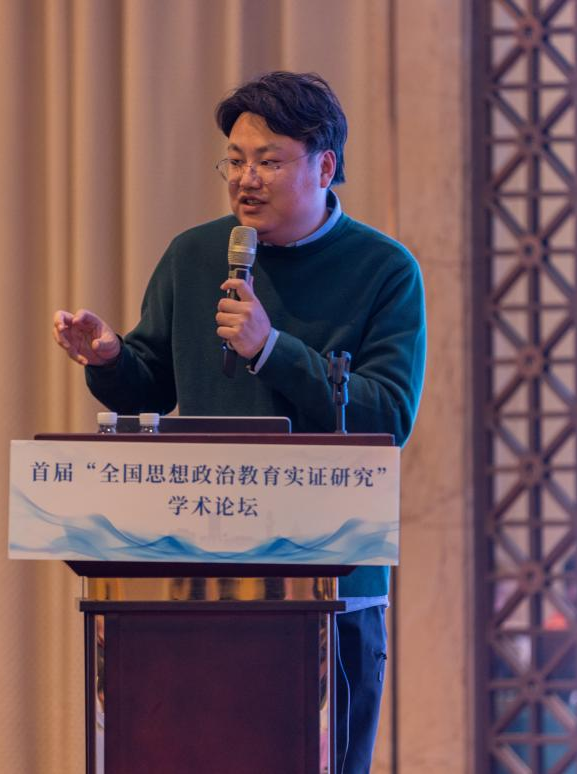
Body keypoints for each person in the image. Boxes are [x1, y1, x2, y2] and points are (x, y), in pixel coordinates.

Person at [52, 70, 426, 773]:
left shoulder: (385, 270)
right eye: (234, 160)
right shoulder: (194, 256)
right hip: (197, 577)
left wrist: (272, 350)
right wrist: (109, 358)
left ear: (325, 167)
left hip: (331, 587)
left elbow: (387, 416)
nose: (246, 180)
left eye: (268, 161)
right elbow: (151, 384)